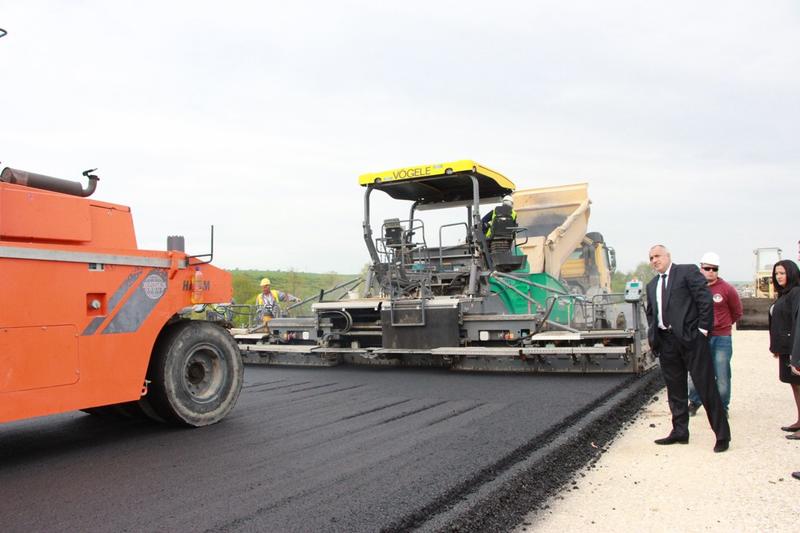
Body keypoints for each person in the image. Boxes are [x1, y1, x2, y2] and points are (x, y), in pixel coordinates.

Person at [644, 245, 731, 452]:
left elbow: (704, 299)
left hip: (691, 340)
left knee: (706, 386)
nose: (654, 260)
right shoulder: (652, 284)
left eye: (657, 256)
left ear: (667, 256)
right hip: (667, 343)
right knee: (675, 390)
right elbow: (651, 313)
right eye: (651, 258)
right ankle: (680, 431)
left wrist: (702, 330)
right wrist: (653, 336)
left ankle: (722, 436)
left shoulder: (686, 272)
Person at [687, 252, 743, 416]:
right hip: (699, 337)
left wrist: (722, 325)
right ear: (701, 268)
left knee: (722, 374)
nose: (711, 271)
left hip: (721, 338)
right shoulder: (694, 288)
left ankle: (722, 407)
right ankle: (694, 402)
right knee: (695, 371)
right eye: (707, 268)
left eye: (714, 269)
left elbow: (737, 312)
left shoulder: (727, 289)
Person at [767, 260, 800, 439]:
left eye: (782, 273)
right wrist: (776, 346)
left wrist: (797, 353)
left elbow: (797, 323)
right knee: (794, 384)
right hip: (786, 348)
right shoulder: (783, 294)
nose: (779, 276)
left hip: (794, 348)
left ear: (791, 273)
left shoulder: (796, 292)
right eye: (777, 273)